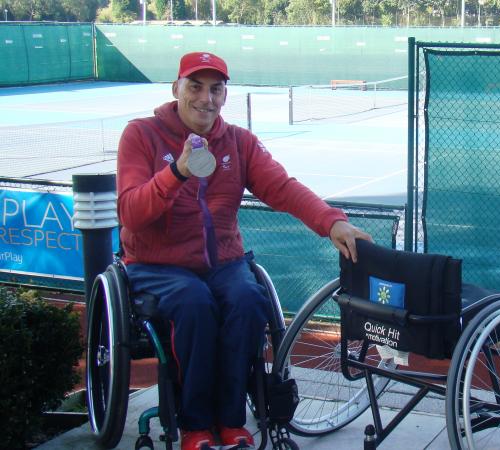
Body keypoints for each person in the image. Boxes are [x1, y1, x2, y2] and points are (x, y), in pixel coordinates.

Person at [116, 51, 371, 450]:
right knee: (194, 303)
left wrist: (331, 221)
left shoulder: (238, 142)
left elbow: (282, 187)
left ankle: (231, 420)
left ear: (225, 95)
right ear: (176, 89)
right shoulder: (141, 135)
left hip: (223, 262)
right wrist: (177, 172)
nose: (206, 98)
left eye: (216, 89)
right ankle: (196, 425)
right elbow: (130, 213)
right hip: (157, 265)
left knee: (248, 301)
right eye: (195, 87)